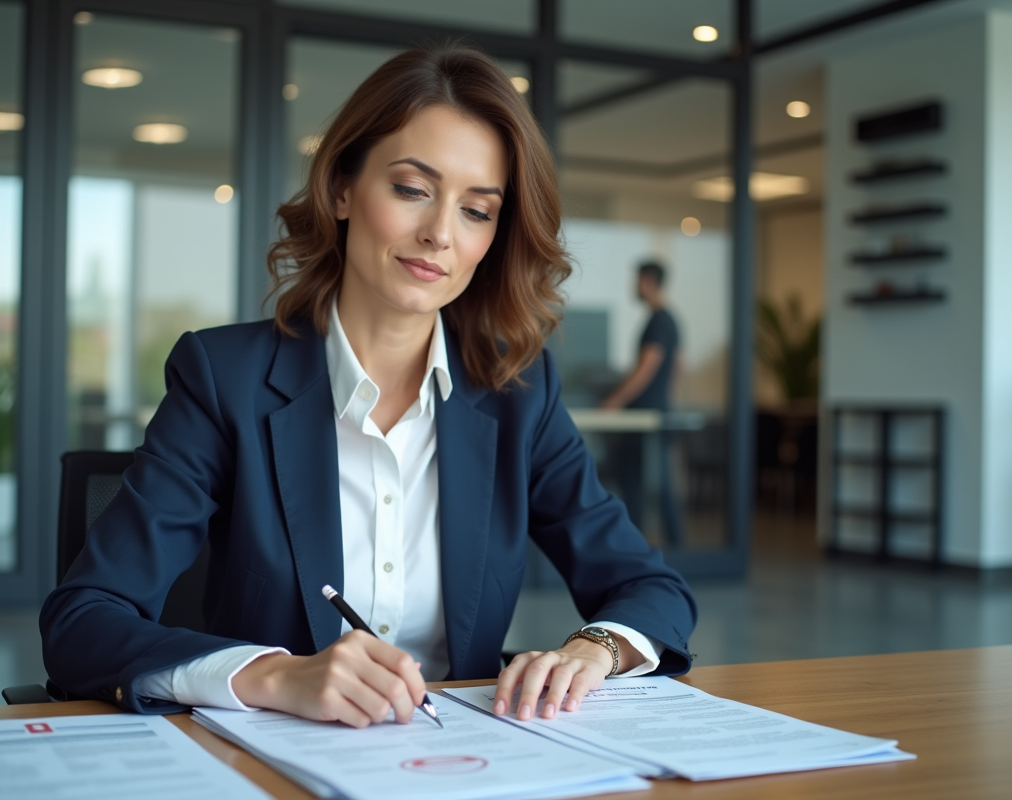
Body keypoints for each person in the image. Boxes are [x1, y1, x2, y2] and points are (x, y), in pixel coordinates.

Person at [40, 45, 696, 730]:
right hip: (273, 759)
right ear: (343, 189)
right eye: (412, 189)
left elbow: (651, 588)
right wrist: (275, 675)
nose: (439, 233)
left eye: (478, 210)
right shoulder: (223, 378)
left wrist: (596, 649)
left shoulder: (519, 393)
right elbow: (83, 620)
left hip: (461, 760)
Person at [599, 261, 683, 546]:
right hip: (656, 411)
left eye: (636, 280)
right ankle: (668, 543)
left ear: (647, 281)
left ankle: (641, 543)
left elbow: (647, 368)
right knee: (654, 481)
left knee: (637, 480)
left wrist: (615, 401)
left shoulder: (660, 321)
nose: (633, 286)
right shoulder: (668, 320)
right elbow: (678, 368)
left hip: (645, 418)